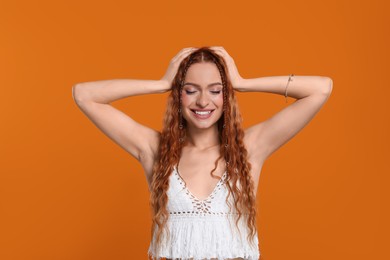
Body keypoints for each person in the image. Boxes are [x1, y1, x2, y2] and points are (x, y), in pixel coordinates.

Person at [72, 46, 333, 260]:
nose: (203, 101)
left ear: (226, 95)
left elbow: (321, 88)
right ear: (178, 95)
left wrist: (242, 82)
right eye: (190, 90)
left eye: (216, 90)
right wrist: (162, 83)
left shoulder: (250, 147)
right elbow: (84, 95)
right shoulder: (155, 150)